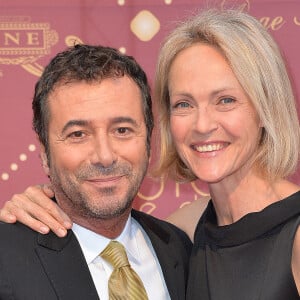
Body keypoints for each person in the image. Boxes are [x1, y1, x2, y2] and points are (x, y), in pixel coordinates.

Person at [1, 8, 300, 299]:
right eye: (184, 104)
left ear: (265, 108)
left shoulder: (182, 242)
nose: (203, 124)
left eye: (225, 100)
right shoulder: (185, 233)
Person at [0, 44, 192, 300]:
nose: (104, 156)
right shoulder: (7, 259)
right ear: (45, 154)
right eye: (78, 134)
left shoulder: (181, 249)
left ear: (148, 142)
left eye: (122, 130)